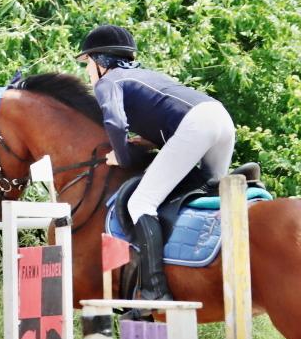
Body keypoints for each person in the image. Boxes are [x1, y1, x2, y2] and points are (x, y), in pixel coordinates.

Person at [77, 24, 236, 302]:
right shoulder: (146, 75)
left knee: (140, 203)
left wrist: (121, 156)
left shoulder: (108, 82)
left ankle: (154, 289)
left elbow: (115, 123)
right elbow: (165, 112)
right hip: (219, 117)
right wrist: (150, 141)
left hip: (195, 126)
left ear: (100, 62)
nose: (87, 71)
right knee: (208, 191)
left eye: (87, 63)